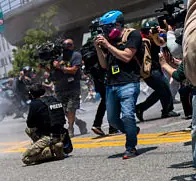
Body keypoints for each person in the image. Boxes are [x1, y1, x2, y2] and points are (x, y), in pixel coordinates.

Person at [95, 10, 143, 159]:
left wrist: (108, 45)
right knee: (113, 120)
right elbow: (103, 65)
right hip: (111, 84)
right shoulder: (109, 41)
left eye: (108, 27)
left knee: (128, 115)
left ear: (118, 24)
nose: (105, 31)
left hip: (129, 82)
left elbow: (127, 56)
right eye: (103, 28)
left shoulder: (132, 35)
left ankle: (131, 147)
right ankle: (132, 130)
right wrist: (98, 47)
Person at [136, 19, 179, 122]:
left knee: (161, 90)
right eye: (147, 31)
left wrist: (158, 34)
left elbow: (161, 43)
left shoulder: (156, 38)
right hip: (149, 71)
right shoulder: (141, 41)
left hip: (156, 69)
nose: (148, 33)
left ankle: (141, 108)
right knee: (164, 87)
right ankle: (167, 110)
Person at [22, 84, 68, 165]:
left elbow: (30, 124)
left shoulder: (35, 104)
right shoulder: (54, 99)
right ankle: (56, 147)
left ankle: (51, 151)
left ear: (32, 94)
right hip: (62, 134)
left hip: (48, 137)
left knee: (25, 158)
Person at [50, 39, 88, 135]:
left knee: (71, 109)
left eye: (69, 44)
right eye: (65, 45)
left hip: (72, 86)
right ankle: (80, 123)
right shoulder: (58, 58)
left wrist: (60, 67)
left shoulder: (76, 55)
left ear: (72, 46)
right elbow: (54, 72)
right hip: (60, 87)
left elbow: (74, 70)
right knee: (64, 110)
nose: (67, 47)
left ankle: (70, 128)